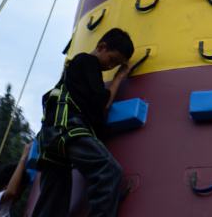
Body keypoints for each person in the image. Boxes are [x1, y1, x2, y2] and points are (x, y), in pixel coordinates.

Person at [31, 28, 135, 217]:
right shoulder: (87, 61)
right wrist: (119, 77)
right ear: (101, 47)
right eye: (112, 60)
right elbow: (102, 102)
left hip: (50, 136)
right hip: (67, 129)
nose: (111, 66)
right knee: (109, 172)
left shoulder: (73, 71)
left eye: (116, 65)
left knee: (53, 203)